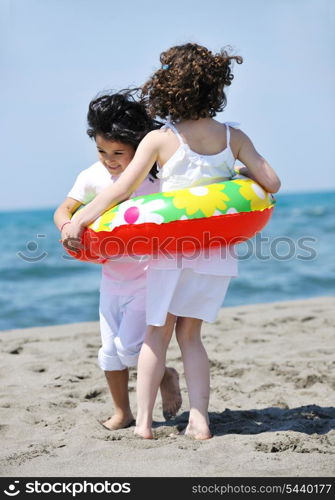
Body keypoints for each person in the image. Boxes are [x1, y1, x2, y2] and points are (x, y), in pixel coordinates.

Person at [65, 43, 281, 439]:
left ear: (165, 90)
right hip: (214, 251)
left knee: (157, 333)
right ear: (217, 88)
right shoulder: (234, 136)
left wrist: (80, 220)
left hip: (170, 251)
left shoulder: (160, 139)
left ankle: (144, 424)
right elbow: (272, 183)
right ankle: (199, 419)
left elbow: (119, 192)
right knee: (191, 336)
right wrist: (235, 174)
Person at [54, 90, 182, 430]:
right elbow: (64, 209)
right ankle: (122, 412)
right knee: (108, 353)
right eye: (101, 151)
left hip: (148, 275)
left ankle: (166, 374)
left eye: (118, 153)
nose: (109, 159)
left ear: (138, 147)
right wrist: (68, 225)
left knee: (130, 349)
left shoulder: (156, 178)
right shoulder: (91, 176)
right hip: (112, 277)